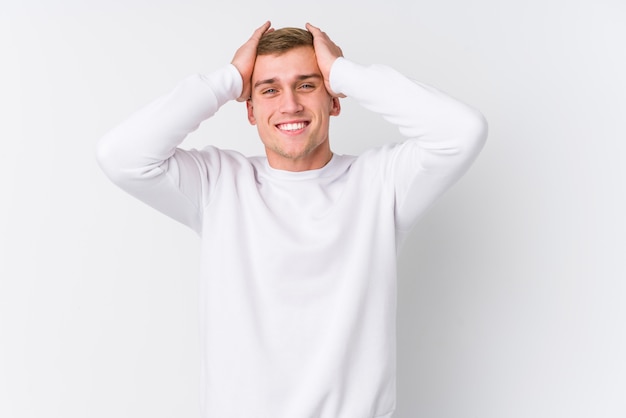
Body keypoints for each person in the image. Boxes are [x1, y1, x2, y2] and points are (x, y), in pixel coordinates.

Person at [97, 21, 487, 418]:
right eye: (269, 89)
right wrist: (228, 80)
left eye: (307, 85)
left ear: (334, 100)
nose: (290, 105)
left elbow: (462, 132)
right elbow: (120, 155)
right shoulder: (217, 183)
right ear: (250, 110)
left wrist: (344, 72)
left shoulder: (381, 183)